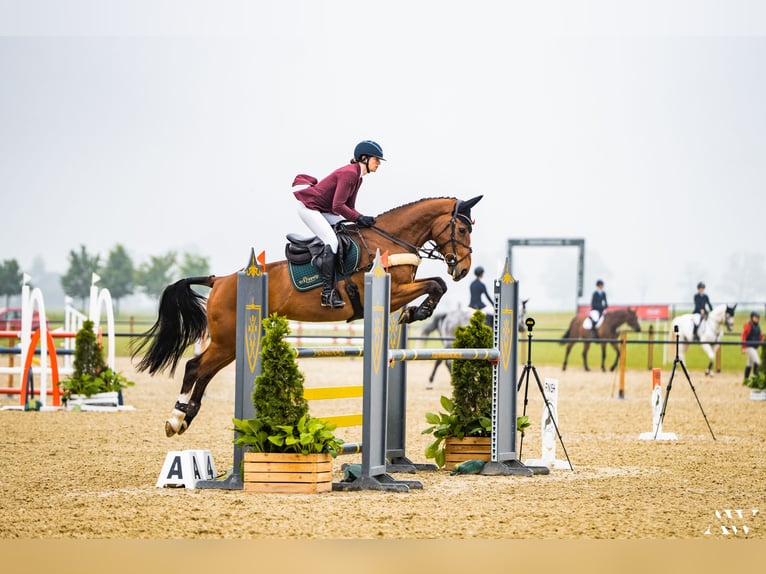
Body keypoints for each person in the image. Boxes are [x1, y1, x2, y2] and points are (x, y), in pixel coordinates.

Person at [293, 140, 384, 309]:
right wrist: (359, 217)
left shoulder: (358, 179)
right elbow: (338, 206)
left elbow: (349, 208)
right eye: (376, 159)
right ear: (364, 158)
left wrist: (362, 220)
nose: (378, 163)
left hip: (324, 210)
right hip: (310, 209)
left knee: (351, 230)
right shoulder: (349, 174)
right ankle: (327, 294)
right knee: (332, 242)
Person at [741, 311, 763, 382]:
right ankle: (755, 379)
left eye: (757, 318)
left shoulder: (758, 326)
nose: (757, 319)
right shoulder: (748, 325)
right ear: (751, 318)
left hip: (754, 347)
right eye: (755, 317)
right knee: (757, 362)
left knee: (749, 363)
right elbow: (744, 336)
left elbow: (759, 335)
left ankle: (746, 379)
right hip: (749, 346)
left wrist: (762, 339)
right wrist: (743, 347)